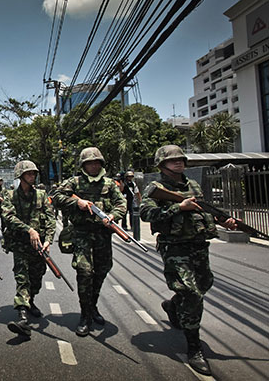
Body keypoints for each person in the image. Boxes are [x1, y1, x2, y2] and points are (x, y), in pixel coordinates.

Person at [140, 145, 236, 376]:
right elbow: (146, 213)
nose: (179, 163)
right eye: (173, 161)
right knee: (192, 294)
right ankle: (194, 347)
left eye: (181, 160)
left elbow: (201, 210)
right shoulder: (156, 187)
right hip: (174, 247)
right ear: (162, 164)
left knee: (204, 284)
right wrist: (177, 207)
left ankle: (173, 305)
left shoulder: (192, 184)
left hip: (198, 245)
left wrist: (224, 220)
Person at [52, 147, 126, 336]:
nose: (93, 166)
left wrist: (112, 215)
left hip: (103, 235)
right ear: (83, 165)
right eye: (89, 163)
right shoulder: (74, 182)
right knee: (85, 272)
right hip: (82, 235)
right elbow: (57, 197)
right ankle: (85, 315)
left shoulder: (109, 184)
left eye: (96, 162)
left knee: (101, 270)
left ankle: (92, 306)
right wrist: (77, 203)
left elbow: (121, 204)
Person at [2, 161, 55, 337]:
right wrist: (29, 230)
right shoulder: (10, 195)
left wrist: (48, 240)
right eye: (29, 174)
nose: (32, 176)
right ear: (21, 176)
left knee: (37, 277)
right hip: (20, 245)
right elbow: (8, 217)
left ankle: (30, 301)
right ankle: (22, 316)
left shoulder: (41, 194)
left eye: (34, 173)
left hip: (38, 246)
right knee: (22, 278)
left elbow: (50, 218)